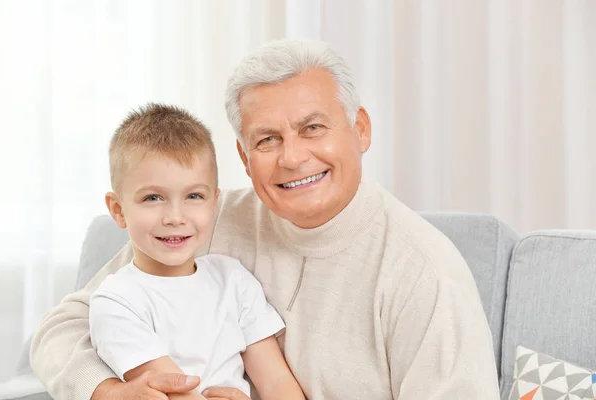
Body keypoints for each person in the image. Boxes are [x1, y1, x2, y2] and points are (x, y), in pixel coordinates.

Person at [31, 39, 500, 399]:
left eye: (312, 128)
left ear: (360, 129)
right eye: (267, 140)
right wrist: (105, 390)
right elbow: (62, 329)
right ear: (243, 155)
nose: (293, 158)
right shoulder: (200, 222)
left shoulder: (422, 272)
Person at [87, 103, 305, 400]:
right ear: (118, 210)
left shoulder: (233, 280)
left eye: (193, 196)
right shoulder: (117, 301)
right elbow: (175, 392)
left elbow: (277, 382)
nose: (175, 217)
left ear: (214, 203)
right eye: (153, 197)